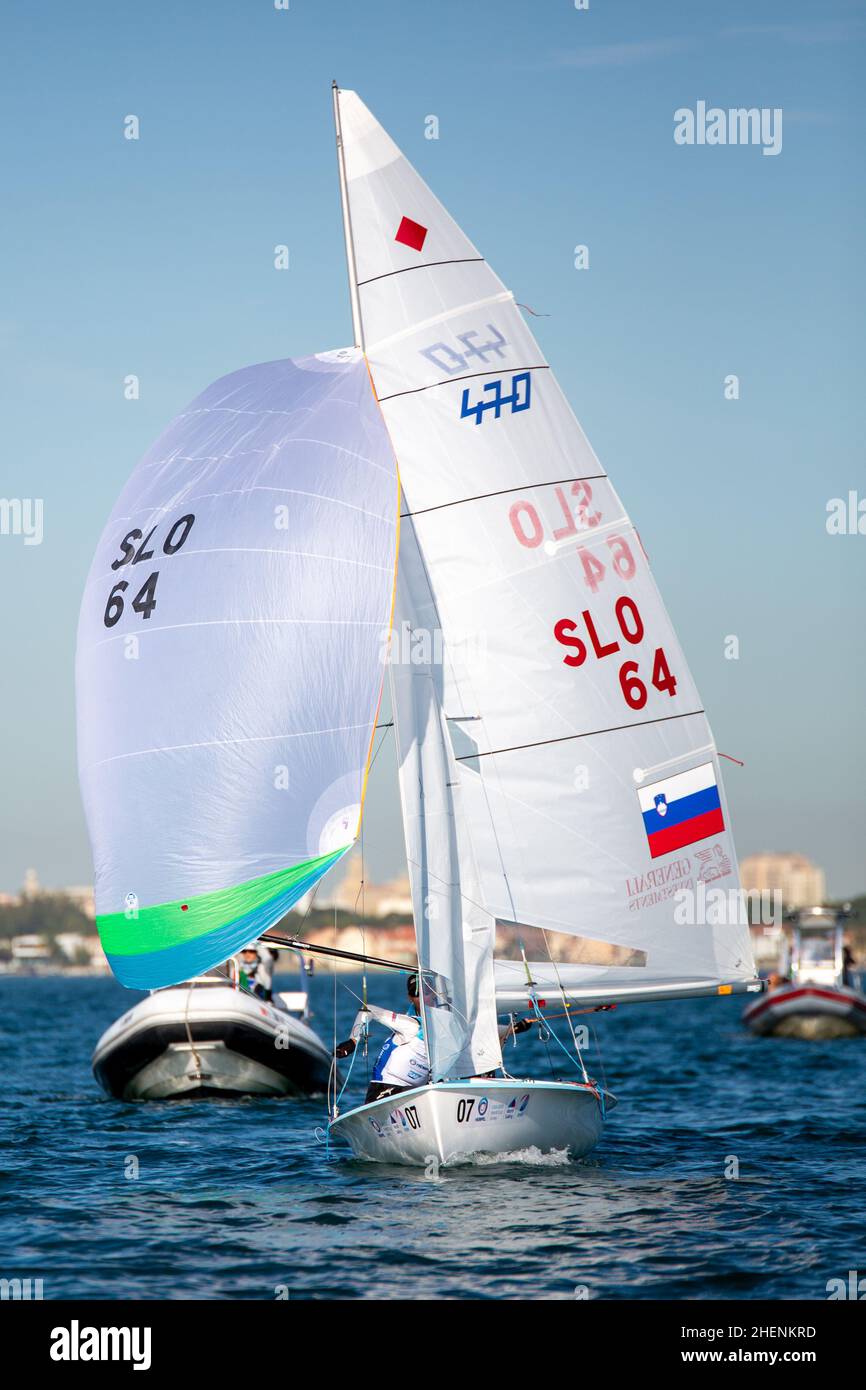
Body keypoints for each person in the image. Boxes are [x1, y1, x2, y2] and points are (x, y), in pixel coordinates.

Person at [335, 972, 535, 1105]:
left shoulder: (447, 1025)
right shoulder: (410, 1024)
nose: (423, 997)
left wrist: (514, 1028)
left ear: (435, 994)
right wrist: (353, 1041)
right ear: (410, 998)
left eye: (427, 992)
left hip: (417, 1095)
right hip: (385, 1091)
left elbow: (478, 1031)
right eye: (417, 994)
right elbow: (367, 1010)